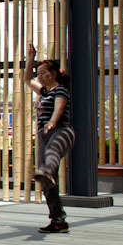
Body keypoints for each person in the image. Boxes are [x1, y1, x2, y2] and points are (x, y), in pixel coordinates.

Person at [26, 43, 73, 234]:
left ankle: (47, 170)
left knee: (50, 159)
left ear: (53, 73)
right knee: (47, 183)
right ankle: (58, 220)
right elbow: (27, 79)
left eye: (43, 73)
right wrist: (30, 59)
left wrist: (52, 122)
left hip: (61, 131)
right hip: (45, 135)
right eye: (39, 73)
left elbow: (59, 108)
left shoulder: (59, 90)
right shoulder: (44, 92)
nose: (39, 76)